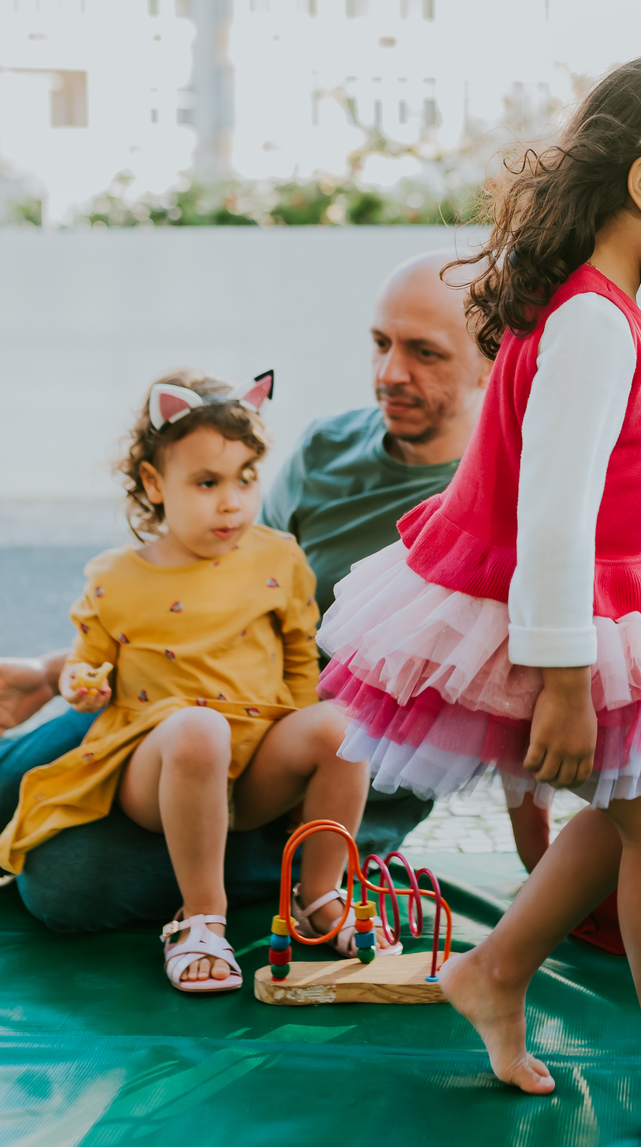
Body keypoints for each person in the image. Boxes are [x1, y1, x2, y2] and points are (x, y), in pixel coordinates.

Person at [317, 52, 641, 1146]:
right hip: (543, 618)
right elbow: (550, 513)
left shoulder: (598, 310)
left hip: (567, 606)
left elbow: (602, 487)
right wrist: (558, 683)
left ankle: (495, 970)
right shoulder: (597, 323)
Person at [0, 251, 553, 872]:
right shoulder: (328, 445)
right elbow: (221, 587)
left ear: (494, 360)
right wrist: (56, 671)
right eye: (379, 343)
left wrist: (541, 859)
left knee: (60, 881)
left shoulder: (517, 500)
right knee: (9, 789)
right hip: (196, 698)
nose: (389, 372)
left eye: (425, 353)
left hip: (338, 762)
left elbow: (526, 689)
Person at [0, 370, 370, 991]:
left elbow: (301, 661)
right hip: (160, 761)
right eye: (207, 482)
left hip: (256, 763)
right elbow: (90, 664)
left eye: (246, 478)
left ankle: (320, 892)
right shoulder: (116, 577)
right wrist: (82, 685)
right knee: (199, 728)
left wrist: (311, 738)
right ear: (154, 484)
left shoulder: (277, 556)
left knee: (341, 725)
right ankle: (201, 918)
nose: (232, 502)